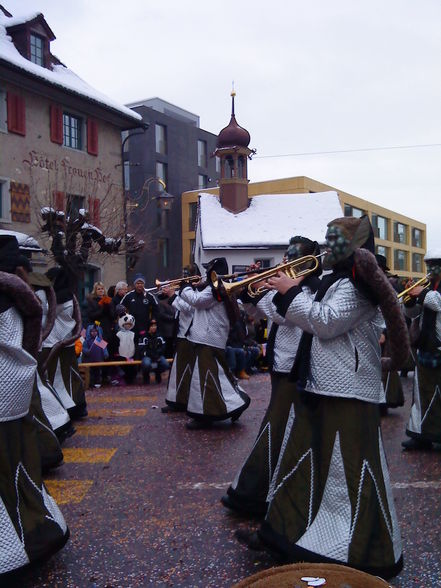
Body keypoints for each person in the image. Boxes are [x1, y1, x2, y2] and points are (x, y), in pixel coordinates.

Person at [236, 216, 407, 580]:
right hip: (317, 384)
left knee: (349, 472)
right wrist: (287, 290)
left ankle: (360, 550)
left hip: (349, 390)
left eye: (334, 241)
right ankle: (280, 536)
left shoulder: (358, 286)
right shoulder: (332, 280)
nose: (326, 248)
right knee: (298, 460)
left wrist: (291, 292)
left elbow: (325, 321)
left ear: (355, 246)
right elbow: (303, 316)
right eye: (325, 240)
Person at [222, 236, 322, 517]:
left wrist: (267, 290)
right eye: (288, 255)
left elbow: (285, 315)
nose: (287, 261)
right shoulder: (288, 284)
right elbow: (256, 312)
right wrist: (248, 291)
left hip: (296, 365)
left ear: (308, 260)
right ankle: (261, 491)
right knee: (276, 426)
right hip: (280, 363)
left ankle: (260, 495)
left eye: (294, 257)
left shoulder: (313, 287)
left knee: (279, 427)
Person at [0, 235, 69, 581]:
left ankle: (12, 548)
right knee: (18, 464)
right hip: (14, 389)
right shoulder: (24, 297)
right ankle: (36, 529)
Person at [179, 257, 251, 429]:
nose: (205, 273)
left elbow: (197, 301)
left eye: (208, 270)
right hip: (211, 338)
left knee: (207, 379)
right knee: (218, 375)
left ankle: (209, 414)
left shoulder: (217, 288)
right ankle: (235, 403)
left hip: (208, 338)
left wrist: (184, 287)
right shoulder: (218, 288)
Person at [401, 249, 441, 450]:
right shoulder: (429, 287)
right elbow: (415, 313)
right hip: (426, 347)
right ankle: (420, 434)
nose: (430, 270)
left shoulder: (430, 291)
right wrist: (409, 301)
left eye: (434, 265)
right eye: (428, 265)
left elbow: (437, 302)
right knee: (421, 394)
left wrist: (422, 293)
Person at [162, 282, 196, 413]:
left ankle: (181, 401)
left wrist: (172, 296)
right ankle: (176, 400)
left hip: (188, 337)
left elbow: (188, 308)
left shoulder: (195, 294)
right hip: (180, 336)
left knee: (182, 371)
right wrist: (169, 293)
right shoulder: (185, 293)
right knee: (177, 371)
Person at [120, 273, 159, 344]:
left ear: (144, 284)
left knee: (143, 344)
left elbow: (156, 309)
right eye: (138, 283)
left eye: (141, 283)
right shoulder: (129, 295)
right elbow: (120, 307)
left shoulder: (149, 296)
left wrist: (153, 318)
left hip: (145, 326)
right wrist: (124, 319)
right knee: (132, 345)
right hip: (131, 326)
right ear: (134, 284)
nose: (140, 285)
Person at [137, 319, 170, 384]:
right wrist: (151, 355)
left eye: (155, 326)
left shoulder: (159, 336)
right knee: (146, 364)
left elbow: (163, 347)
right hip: (147, 356)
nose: (154, 327)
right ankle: (146, 375)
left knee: (165, 364)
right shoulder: (144, 337)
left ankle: (158, 373)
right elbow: (141, 349)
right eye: (152, 326)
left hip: (158, 355)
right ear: (148, 327)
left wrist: (157, 354)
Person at [81, 323, 110, 388]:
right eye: (92, 331)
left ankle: (98, 383)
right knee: (90, 372)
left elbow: (104, 348)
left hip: (98, 359)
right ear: (89, 332)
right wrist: (86, 351)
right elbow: (83, 348)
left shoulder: (99, 340)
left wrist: (105, 353)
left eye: (95, 331)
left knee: (98, 372)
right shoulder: (87, 341)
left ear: (98, 332)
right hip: (89, 360)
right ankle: (90, 383)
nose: (94, 333)